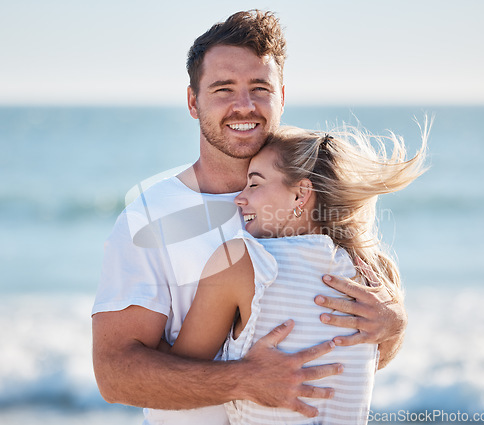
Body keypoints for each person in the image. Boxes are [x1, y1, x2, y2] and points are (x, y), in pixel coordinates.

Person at [92, 10, 408, 425]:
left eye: (259, 88)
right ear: (193, 101)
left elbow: (355, 351)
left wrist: (393, 326)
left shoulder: (319, 196)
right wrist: (243, 380)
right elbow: (116, 376)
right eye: (223, 89)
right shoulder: (151, 218)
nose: (244, 105)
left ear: (281, 95)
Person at [170, 124, 427, 424]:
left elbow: (176, 380)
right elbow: (371, 364)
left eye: (254, 184)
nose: (239, 198)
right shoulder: (372, 278)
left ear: (300, 195)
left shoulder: (243, 261)